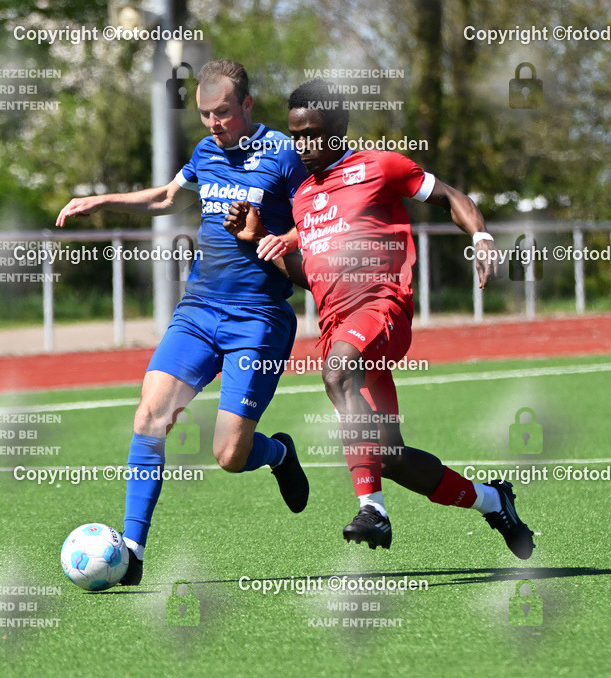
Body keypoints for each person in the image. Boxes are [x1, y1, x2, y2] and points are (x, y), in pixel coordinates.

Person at [225, 79, 535, 559]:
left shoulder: (380, 166)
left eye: (313, 134)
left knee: (338, 372)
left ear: (340, 127)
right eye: (296, 136)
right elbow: (311, 275)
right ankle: (493, 500)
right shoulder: (304, 197)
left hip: (381, 307)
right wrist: (260, 236)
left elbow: (453, 197)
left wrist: (482, 237)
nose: (303, 146)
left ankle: (373, 510)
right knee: (388, 455)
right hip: (336, 327)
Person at [55, 60, 310, 585]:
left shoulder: (285, 155)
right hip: (198, 313)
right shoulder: (205, 152)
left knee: (229, 455)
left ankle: (279, 452)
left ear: (247, 106)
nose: (214, 123)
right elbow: (167, 197)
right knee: (150, 416)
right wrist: (100, 200)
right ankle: (132, 551)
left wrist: (271, 237)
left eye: (222, 113)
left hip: (258, 319)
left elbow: (315, 225)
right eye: (204, 114)